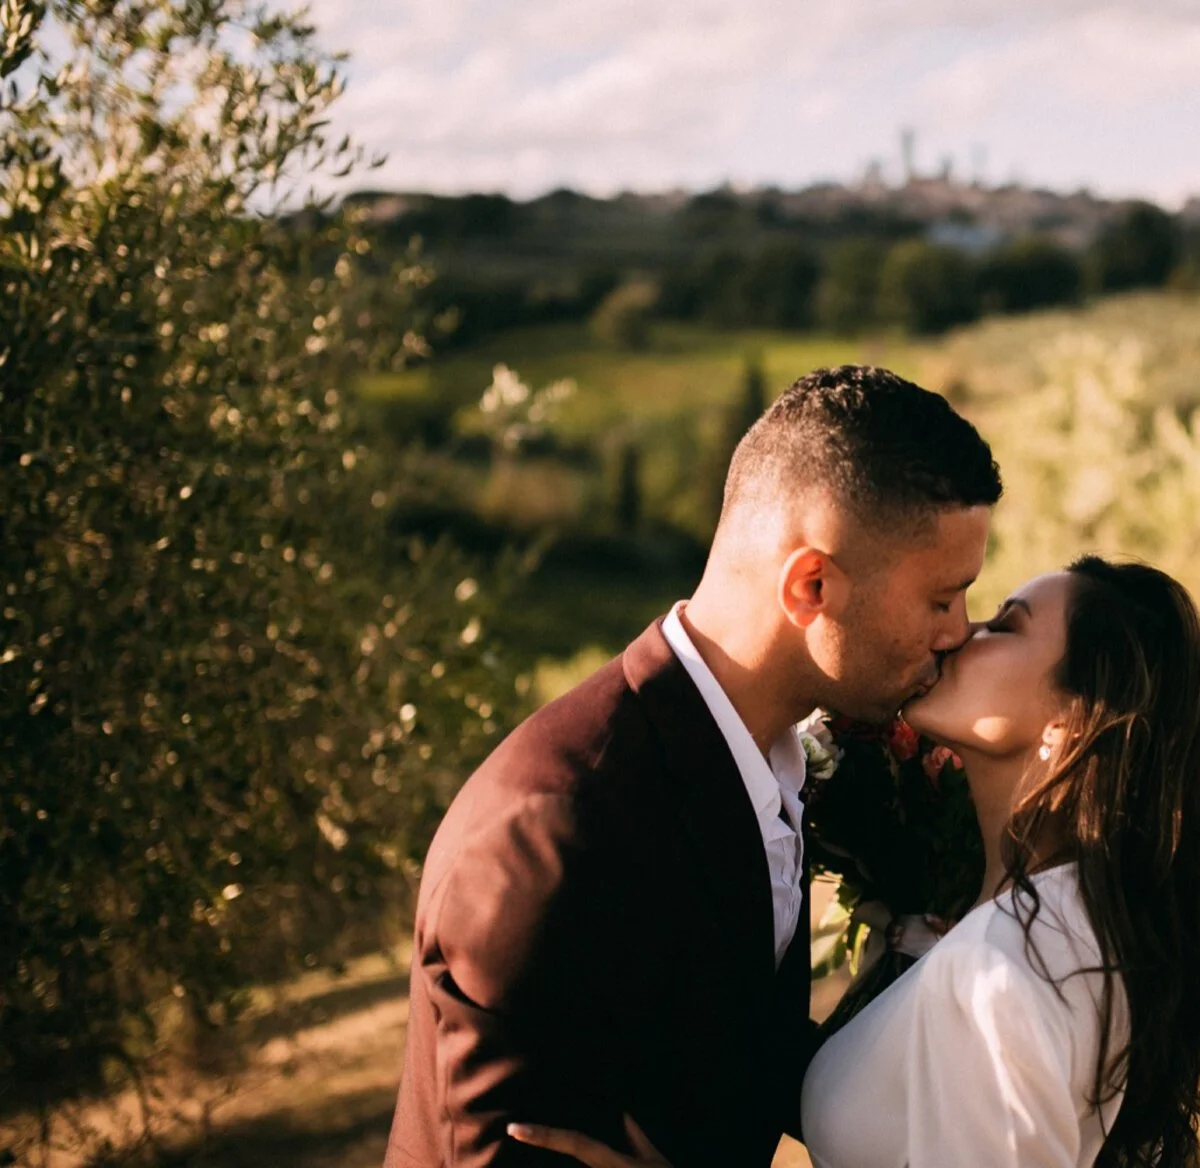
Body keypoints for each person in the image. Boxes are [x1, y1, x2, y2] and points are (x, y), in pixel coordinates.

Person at [384, 365, 1002, 1168]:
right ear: (811, 584)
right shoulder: (562, 829)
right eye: (941, 600)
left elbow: (728, 1062)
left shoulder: (772, 764)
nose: (959, 631)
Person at [513, 556, 1200, 1167]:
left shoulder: (1004, 976)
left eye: (1005, 626)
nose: (960, 633)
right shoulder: (1062, 920)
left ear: (1069, 722)